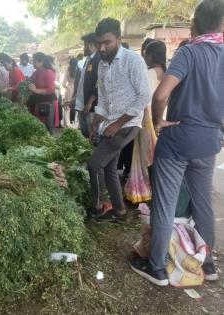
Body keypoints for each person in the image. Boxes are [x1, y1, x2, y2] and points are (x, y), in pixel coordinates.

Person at [130, 0, 224, 286]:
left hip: (179, 138)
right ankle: (207, 264)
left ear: (194, 25)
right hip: (209, 140)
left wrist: (158, 122)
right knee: (203, 202)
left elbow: (160, 96)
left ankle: (157, 267)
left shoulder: (189, 52)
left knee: (165, 204)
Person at [87, 18, 150, 220]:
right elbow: (104, 97)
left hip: (128, 124)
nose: (102, 48)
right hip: (110, 123)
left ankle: (96, 207)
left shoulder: (133, 60)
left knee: (94, 165)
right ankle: (120, 211)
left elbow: (144, 97)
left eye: (107, 42)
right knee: (109, 169)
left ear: (118, 39)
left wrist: (117, 124)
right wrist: (97, 119)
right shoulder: (102, 64)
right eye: (99, 43)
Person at [124, 41, 167, 203]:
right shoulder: (167, 73)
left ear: (149, 56)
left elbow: (144, 99)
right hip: (163, 120)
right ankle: (157, 191)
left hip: (147, 120)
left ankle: (141, 191)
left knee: (143, 158)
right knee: (156, 157)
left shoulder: (148, 73)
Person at [74, 33, 101, 138]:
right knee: (85, 134)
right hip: (81, 104)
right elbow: (83, 82)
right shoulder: (88, 60)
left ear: (90, 45)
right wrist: (75, 98)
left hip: (91, 107)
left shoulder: (98, 60)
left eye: (84, 45)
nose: (83, 48)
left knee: (92, 135)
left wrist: (90, 102)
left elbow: (100, 82)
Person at [28, 52, 57, 134]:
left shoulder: (49, 72)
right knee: (40, 125)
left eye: (34, 61)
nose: (32, 63)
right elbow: (28, 81)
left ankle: (52, 143)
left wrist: (35, 90)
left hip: (48, 102)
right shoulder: (36, 72)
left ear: (41, 62)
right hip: (38, 102)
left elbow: (50, 89)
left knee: (48, 126)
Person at [62, 58, 78, 128]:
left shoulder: (68, 70)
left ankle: (67, 124)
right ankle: (77, 124)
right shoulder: (78, 70)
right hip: (76, 90)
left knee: (67, 107)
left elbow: (63, 84)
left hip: (69, 89)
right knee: (76, 107)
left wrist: (67, 87)